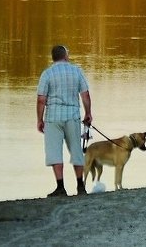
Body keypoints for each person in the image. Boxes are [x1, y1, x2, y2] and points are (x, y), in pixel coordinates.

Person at [36, 45, 93, 197]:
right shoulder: (76, 71)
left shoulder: (47, 74)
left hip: (53, 118)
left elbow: (41, 100)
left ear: (53, 57)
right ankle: (80, 186)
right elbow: (85, 95)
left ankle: (60, 187)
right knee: (76, 150)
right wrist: (88, 113)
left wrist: (39, 120)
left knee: (54, 151)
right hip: (72, 116)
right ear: (66, 56)